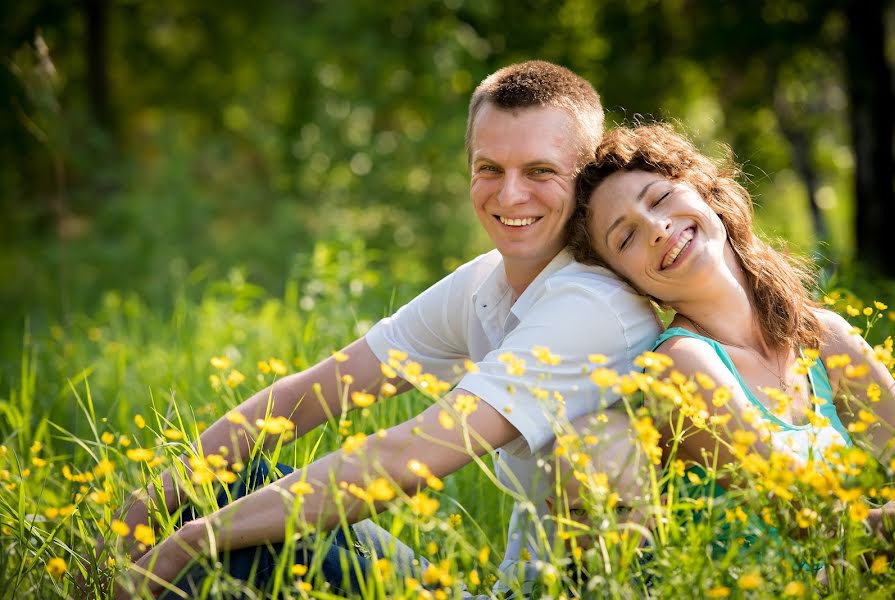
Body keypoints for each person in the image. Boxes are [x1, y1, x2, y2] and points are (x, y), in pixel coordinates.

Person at [106, 62, 662, 599]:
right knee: (225, 484)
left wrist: (189, 541)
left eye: (540, 172)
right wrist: (146, 504)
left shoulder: (591, 305)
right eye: (490, 169)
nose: (510, 195)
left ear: (584, 180)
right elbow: (313, 391)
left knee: (229, 548)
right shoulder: (487, 283)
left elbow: (408, 456)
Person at [567, 122, 895, 538]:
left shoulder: (823, 338)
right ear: (625, 281)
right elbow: (811, 522)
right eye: (627, 237)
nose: (656, 228)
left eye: (661, 198)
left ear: (704, 191)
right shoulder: (679, 365)